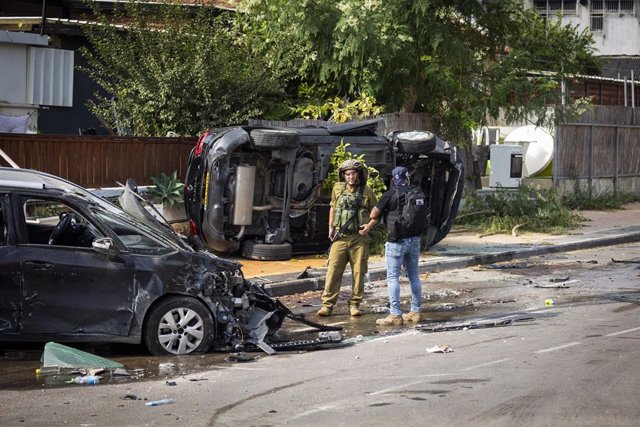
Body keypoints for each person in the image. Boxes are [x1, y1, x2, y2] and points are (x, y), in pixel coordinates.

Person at [317, 159, 378, 317]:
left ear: (358, 175)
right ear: (344, 176)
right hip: (340, 237)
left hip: (359, 238)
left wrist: (369, 227)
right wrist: (330, 227)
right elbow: (333, 207)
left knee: (358, 272)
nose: (351, 177)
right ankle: (327, 305)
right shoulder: (337, 188)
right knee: (333, 270)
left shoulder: (367, 191)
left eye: (353, 173)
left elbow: (377, 214)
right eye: (348, 174)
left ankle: (355, 304)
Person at [370, 166, 423, 326]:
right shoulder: (416, 192)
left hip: (396, 241)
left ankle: (395, 314)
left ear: (394, 179)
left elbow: (373, 214)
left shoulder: (390, 194)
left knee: (393, 277)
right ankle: (415, 311)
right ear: (407, 178)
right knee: (414, 276)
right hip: (414, 239)